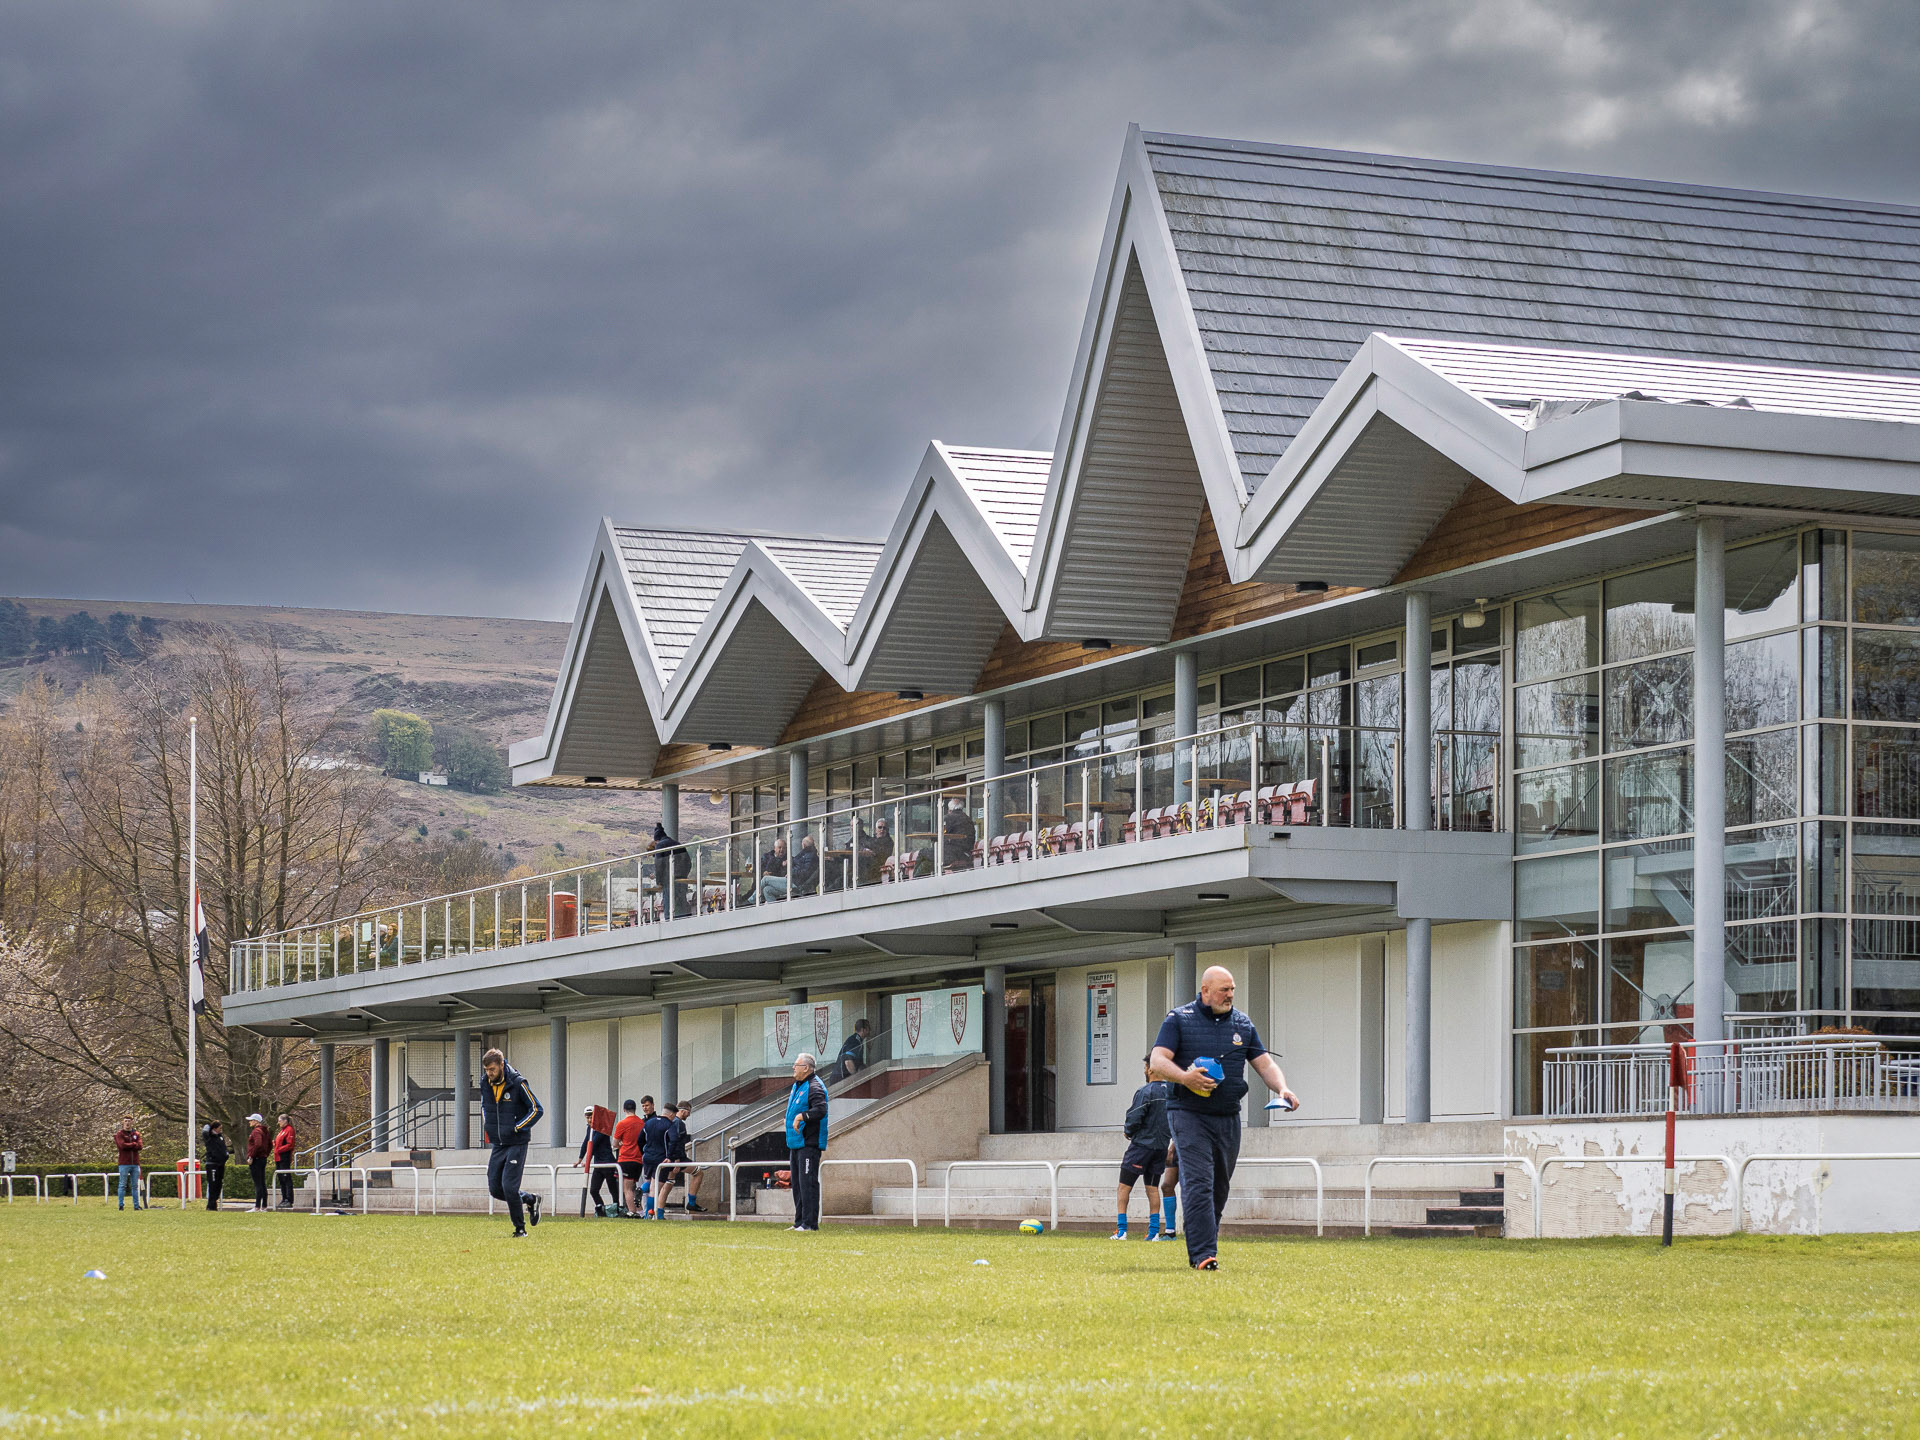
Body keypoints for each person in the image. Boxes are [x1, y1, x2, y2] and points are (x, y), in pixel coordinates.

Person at [1151, 966, 1299, 1271]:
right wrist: (1185, 1078)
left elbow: (1264, 1063)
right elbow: (1158, 1060)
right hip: (1188, 1113)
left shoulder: (1242, 1024)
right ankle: (1204, 1254)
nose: (1229, 995)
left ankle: (1204, 1242)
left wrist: (1282, 1088)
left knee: (1219, 1186)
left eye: (1232, 989)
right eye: (1223, 990)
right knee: (1198, 1182)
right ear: (1205, 991)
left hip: (1228, 1116)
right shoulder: (1178, 1019)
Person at [478, 1046, 544, 1237]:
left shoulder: (518, 1083)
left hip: (517, 1142)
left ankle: (520, 1229)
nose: (489, 1074)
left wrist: (516, 1127)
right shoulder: (485, 1083)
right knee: (495, 1189)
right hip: (498, 1143)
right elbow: (485, 1106)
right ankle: (530, 1200)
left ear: (501, 1064)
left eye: (492, 1070)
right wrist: (488, 1124)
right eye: (487, 1071)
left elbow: (536, 1109)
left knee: (509, 1186)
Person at [1114, 1056, 1171, 1240]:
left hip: (1141, 1147)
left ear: (1151, 1070)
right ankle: (1153, 1233)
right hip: (1161, 1148)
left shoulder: (1145, 1092)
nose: (1144, 1070)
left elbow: (1134, 1116)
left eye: (1146, 1067)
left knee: (1124, 1187)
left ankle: (1122, 1231)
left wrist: (1128, 1131)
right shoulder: (1171, 1092)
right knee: (1152, 1188)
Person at [783, 1051, 829, 1232]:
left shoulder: (815, 1086)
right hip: (796, 1143)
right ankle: (799, 1222)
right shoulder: (798, 1085)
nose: (793, 1068)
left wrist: (801, 1116)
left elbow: (820, 1110)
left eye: (796, 1065)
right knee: (798, 1184)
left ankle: (810, 1224)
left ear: (806, 1068)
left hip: (809, 1143)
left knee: (808, 1183)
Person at [577, 1105, 617, 1216]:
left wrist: (587, 1161)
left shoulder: (602, 1128)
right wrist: (579, 1159)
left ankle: (617, 1210)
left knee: (614, 1191)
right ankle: (601, 1211)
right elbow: (586, 1143)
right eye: (587, 1117)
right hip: (598, 1164)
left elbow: (593, 1144)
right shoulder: (589, 1128)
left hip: (608, 1163)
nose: (590, 1120)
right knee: (593, 1190)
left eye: (591, 1117)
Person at [639, 1096, 674, 1218]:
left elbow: (639, 1140)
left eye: (647, 1105)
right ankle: (648, 1214)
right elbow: (673, 1141)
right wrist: (670, 1156)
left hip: (647, 1158)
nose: (645, 1108)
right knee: (654, 1189)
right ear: (671, 1114)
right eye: (643, 1106)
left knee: (649, 1183)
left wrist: (643, 1152)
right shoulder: (669, 1125)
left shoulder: (648, 1123)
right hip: (661, 1159)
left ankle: (641, 1190)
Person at [651, 822, 692, 918]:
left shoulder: (660, 845)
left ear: (656, 840)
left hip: (668, 881)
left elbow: (659, 865)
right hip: (681, 880)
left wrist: (659, 881)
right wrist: (683, 875)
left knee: (669, 907)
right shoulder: (678, 844)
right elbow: (688, 863)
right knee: (681, 903)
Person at [612, 1098, 645, 1217]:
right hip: (638, 1159)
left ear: (624, 1109)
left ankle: (632, 1212)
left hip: (626, 1158)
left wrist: (621, 1144)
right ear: (635, 1109)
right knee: (633, 1186)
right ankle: (640, 1211)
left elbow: (615, 1143)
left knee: (627, 1189)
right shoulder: (642, 1123)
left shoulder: (622, 1123)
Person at [112, 1117, 144, 1211]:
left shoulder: (136, 1134)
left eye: (129, 1121)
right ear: (123, 1122)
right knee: (122, 1185)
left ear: (132, 1122)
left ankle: (136, 1205)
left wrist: (131, 1145)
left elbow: (140, 1146)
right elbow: (122, 1146)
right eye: (125, 1121)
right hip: (124, 1163)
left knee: (135, 1186)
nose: (127, 1123)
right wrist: (134, 1145)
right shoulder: (119, 1134)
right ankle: (121, 1205)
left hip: (135, 1164)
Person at [941, 796, 976, 873]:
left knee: (923, 853)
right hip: (967, 854)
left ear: (949, 810)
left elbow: (940, 834)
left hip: (951, 854)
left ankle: (917, 879)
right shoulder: (968, 819)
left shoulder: (948, 818)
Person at [855, 818, 894, 886]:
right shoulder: (872, 839)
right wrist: (864, 850)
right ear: (876, 829)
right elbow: (860, 845)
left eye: (884, 828)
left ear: (887, 830)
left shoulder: (889, 842)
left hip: (878, 868)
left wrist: (870, 852)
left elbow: (882, 854)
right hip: (867, 867)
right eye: (880, 827)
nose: (882, 830)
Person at [244, 1113, 270, 1210]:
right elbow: (269, 1145)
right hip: (262, 1158)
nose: (250, 1122)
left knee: (258, 1183)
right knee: (262, 1182)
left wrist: (251, 1156)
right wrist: (265, 1154)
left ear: (256, 1121)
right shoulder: (265, 1131)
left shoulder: (256, 1131)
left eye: (251, 1120)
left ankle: (257, 1206)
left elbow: (258, 1144)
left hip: (257, 1159)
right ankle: (264, 1206)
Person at [201, 1119, 229, 1212]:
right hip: (212, 1164)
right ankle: (211, 1205)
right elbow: (205, 1131)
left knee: (218, 1184)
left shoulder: (220, 1137)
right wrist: (209, 1125)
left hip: (221, 1164)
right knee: (212, 1185)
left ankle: (214, 1203)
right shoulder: (209, 1137)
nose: (221, 1130)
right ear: (215, 1128)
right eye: (219, 1128)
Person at [273, 1113, 298, 1208]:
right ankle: (284, 1198)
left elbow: (290, 1144)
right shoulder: (282, 1131)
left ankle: (289, 1199)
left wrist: (279, 1149)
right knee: (281, 1179)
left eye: (279, 1121)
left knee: (286, 1178)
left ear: (285, 1121)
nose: (278, 1123)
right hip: (278, 1157)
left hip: (284, 1157)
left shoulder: (289, 1130)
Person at [757, 837, 789, 904]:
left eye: (784, 848)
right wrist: (763, 872)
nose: (782, 850)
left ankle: (753, 899)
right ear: (775, 848)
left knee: (766, 881)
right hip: (762, 883)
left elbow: (785, 875)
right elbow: (757, 868)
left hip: (778, 885)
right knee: (765, 886)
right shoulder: (766, 856)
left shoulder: (789, 859)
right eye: (779, 847)